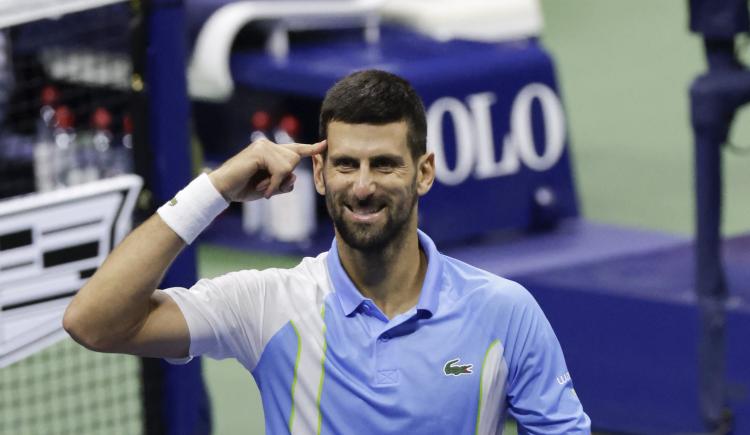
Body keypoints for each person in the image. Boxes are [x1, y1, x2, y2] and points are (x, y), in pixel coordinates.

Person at [64, 70, 591, 434]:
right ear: (318, 173)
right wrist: (216, 188)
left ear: (423, 172)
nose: (362, 187)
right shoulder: (268, 305)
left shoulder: (505, 312)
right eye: (345, 165)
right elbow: (95, 322)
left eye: (384, 164)